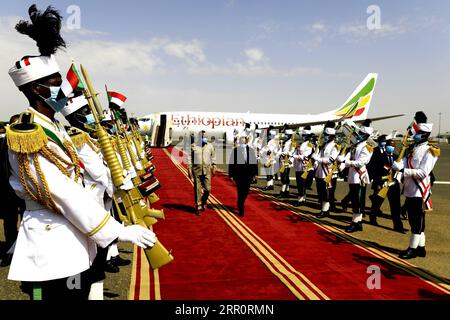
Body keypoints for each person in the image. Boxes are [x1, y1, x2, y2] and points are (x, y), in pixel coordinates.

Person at [5, 5, 156, 300]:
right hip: (51, 245)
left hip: (73, 237)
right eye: (55, 84)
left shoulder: (57, 129)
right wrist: (116, 230)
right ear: (37, 90)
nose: (63, 91)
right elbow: (61, 191)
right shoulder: (28, 134)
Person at [392, 111, 439, 259]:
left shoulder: (430, 151)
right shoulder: (413, 148)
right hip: (410, 189)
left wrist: (403, 170)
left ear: (424, 134)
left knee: (416, 220)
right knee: (417, 220)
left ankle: (412, 248)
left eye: (418, 133)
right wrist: (398, 165)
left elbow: (423, 172)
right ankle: (421, 248)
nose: (415, 135)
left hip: (419, 190)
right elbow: (405, 163)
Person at [338, 120, 374, 233]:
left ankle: (356, 223)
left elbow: (361, 162)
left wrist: (347, 163)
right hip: (353, 175)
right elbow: (350, 156)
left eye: (361, 134)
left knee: (357, 201)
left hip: (359, 176)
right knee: (354, 200)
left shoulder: (367, 147)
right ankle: (357, 223)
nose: (359, 135)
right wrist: (343, 159)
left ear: (366, 135)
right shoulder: (356, 145)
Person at [369, 139, 405, 232]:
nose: (391, 147)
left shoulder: (397, 157)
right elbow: (374, 170)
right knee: (377, 203)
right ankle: (372, 218)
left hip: (393, 184)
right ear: (386, 146)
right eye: (389, 145)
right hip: (382, 183)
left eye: (393, 146)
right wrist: (377, 183)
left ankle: (398, 226)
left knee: (396, 206)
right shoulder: (379, 157)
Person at [313, 121, 339, 218]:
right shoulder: (324, 145)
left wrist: (318, 159)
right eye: (325, 135)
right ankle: (324, 209)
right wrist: (315, 160)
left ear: (332, 136)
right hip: (320, 172)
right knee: (321, 192)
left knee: (327, 192)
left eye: (327, 135)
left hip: (327, 172)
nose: (325, 136)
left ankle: (325, 210)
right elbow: (319, 155)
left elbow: (330, 160)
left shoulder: (335, 146)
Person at [188, 130, 217, 215]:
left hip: (207, 170)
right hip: (196, 170)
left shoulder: (210, 146)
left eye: (205, 136)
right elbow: (189, 158)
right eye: (202, 137)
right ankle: (198, 206)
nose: (204, 138)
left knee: (208, 189)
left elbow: (213, 156)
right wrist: (189, 169)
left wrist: (214, 166)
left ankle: (204, 201)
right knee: (197, 189)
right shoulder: (193, 146)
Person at [228, 135, 258, 217]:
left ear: (246, 141)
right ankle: (241, 207)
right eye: (241, 141)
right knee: (240, 191)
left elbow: (254, 163)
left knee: (245, 192)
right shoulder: (235, 150)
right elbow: (231, 163)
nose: (242, 142)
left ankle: (240, 201)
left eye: (244, 140)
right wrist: (231, 174)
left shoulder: (250, 151)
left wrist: (255, 174)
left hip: (248, 175)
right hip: (239, 175)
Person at [367, 134, 387, 220]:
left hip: (385, 176)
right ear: (378, 142)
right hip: (377, 176)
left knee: (381, 195)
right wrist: (373, 176)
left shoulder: (386, 150)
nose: (384, 143)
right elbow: (372, 164)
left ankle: (376, 208)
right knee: (377, 193)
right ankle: (374, 212)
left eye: (385, 141)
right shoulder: (375, 151)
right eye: (382, 141)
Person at [292, 126, 313, 206]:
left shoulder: (309, 145)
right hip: (298, 166)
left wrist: (295, 156)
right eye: (303, 136)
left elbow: (304, 156)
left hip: (304, 167)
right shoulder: (300, 144)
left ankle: (301, 199)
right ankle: (303, 198)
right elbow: (295, 153)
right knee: (299, 183)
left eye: (305, 136)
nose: (303, 137)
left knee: (301, 184)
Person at [278, 129, 294, 198]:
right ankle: (287, 191)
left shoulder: (292, 143)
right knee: (283, 176)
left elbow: (291, 152)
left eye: (287, 135)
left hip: (288, 161)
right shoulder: (283, 142)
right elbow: (280, 150)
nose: (285, 136)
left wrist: (285, 153)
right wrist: (280, 153)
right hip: (282, 160)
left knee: (285, 176)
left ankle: (283, 191)